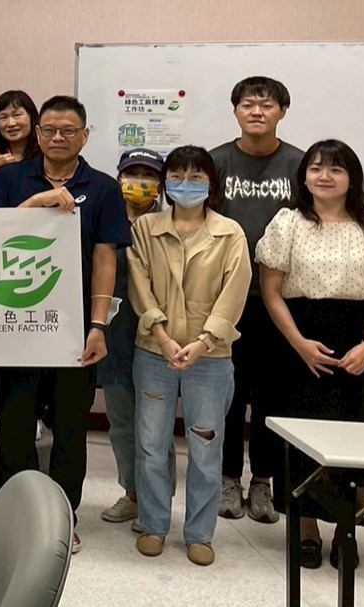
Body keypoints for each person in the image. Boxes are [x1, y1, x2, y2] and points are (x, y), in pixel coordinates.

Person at [256, 140, 364, 570]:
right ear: (304, 176)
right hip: (300, 342)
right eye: (316, 168)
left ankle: (348, 529)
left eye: (336, 169)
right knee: (302, 438)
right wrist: (298, 343)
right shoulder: (287, 223)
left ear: (352, 179)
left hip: (361, 342)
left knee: (357, 440)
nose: (325, 176)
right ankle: (306, 529)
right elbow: (271, 292)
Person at [0, 94, 128, 553]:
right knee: (15, 427)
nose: (58, 138)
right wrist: (39, 200)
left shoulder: (103, 188)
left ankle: (63, 519)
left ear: (84, 136)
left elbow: (105, 260)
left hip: (73, 329)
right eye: (49, 130)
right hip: (16, 325)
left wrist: (98, 325)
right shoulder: (9, 179)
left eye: (68, 131)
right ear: (37, 133)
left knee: (69, 430)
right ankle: (15, 516)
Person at [127, 146, 251, 567]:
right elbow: (139, 285)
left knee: (205, 446)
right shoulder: (146, 228)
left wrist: (203, 342)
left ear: (211, 185)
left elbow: (234, 293)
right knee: (150, 443)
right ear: (165, 184)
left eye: (196, 177)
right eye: (177, 176)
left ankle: (199, 533)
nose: (186, 184)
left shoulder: (230, 233)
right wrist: (163, 337)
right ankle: (153, 524)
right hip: (154, 352)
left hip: (210, 358)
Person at [209, 75, 305, 523]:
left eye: (267, 105)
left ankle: (262, 481)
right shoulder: (216, 162)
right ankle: (228, 478)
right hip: (226, 298)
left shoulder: (301, 165)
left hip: (282, 302)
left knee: (272, 395)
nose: (257, 112)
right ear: (235, 110)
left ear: (282, 111)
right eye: (248, 104)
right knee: (228, 392)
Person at [98, 148, 168, 527]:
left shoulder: (172, 224)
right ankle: (133, 494)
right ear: (119, 178)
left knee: (155, 427)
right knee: (122, 422)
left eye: (148, 174)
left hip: (160, 339)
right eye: (132, 173)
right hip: (116, 337)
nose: (139, 181)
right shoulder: (107, 219)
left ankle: (157, 503)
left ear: (161, 183)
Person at [0, 89, 42, 171]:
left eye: (17, 115)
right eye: (3, 117)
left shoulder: (44, 153)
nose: (11, 123)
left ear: (31, 117)